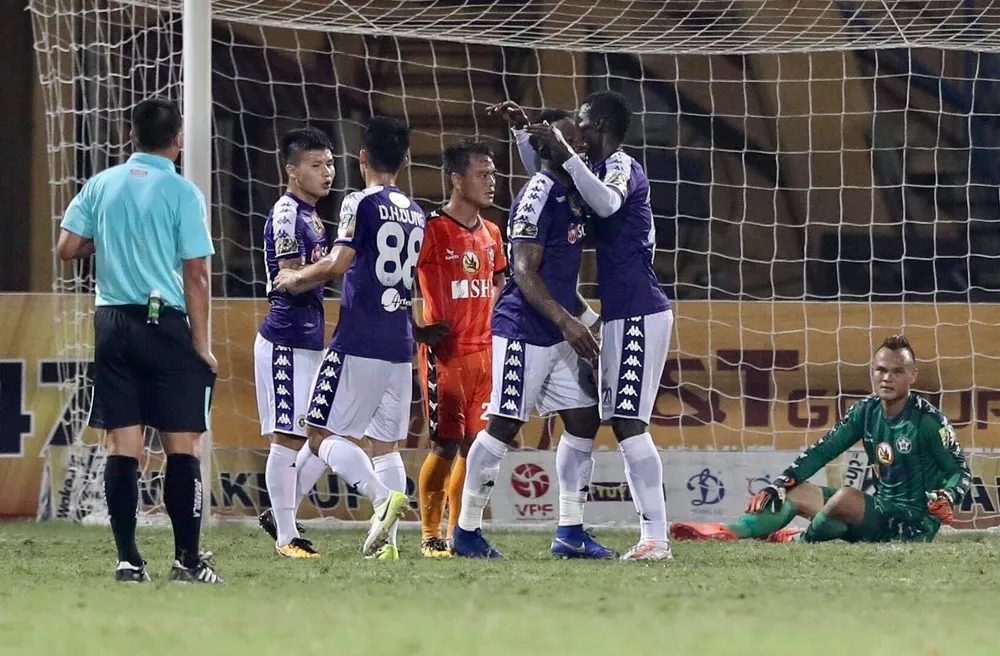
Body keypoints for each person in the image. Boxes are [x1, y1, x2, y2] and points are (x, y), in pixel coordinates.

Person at [57, 97, 221, 583]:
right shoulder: (183, 192)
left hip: (112, 324)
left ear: (131, 135)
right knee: (182, 445)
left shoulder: (101, 184)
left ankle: (129, 561)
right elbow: (197, 275)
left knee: (121, 446)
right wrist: (201, 343)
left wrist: (109, 239)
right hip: (163, 323)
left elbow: (66, 248)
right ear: (178, 140)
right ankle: (187, 562)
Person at [506, 91, 675, 560]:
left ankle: (656, 539)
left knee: (628, 423)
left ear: (598, 125)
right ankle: (574, 528)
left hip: (641, 310)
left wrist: (564, 152)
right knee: (597, 421)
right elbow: (548, 173)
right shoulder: (592, 169)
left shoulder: (621, 166)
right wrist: (522, 133)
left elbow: (606, 204)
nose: (574, 130)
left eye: (580, 121)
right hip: (616, 314)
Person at [451, 109, 617, 560]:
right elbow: (524, 272)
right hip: (523, 331)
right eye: (569, 141)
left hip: (558, 332)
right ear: (550, 148)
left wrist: (585, 318)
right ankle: (466, 531)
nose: (579, 147)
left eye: (579, 140)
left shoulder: (572, 191)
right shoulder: (538, 194)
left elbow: (560, 279)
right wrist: (568, 322)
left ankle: (570, 531)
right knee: (504, 425)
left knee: (583, 419)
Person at [273, 116, 420, 561]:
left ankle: (381, 498)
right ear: (405, 160)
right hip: (401, 343)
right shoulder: (416, 211)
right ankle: (386, 545)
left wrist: (295, 278)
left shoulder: (359, 201)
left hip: (359, 338)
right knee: (386, 447)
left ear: (362, 158)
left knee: (319, 433)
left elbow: (338, 263)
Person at [670, 335, 972, 544]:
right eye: (881, 370)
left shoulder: (928, 421)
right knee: (794, 492)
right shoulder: (866, 411)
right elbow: (825, 449)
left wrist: (948, 496)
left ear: (912, 375)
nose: (887, 377)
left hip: (913, 525)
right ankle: (727, 532)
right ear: (872, 372)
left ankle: (800, 540)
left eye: (897, 371)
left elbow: (959, 471)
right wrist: (782, 481)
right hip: (880, 510)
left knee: (845, 499)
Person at [413, 140, 506, 558]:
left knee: (477, 446)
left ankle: (460, 532)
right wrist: (416, 328)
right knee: (444, 446)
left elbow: (499, 281)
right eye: (482, 174)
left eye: (492, 173)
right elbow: (395, 278)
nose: (491, 181)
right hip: (446, 356)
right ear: (457, 179)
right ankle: (430, 534)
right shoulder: (430, 230)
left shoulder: (492, 233)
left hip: (485, 355)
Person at [254, 127, 335, 559]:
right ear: (292, 171)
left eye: (329, 163)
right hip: (284, 341)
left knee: (323, 433)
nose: (327, 172)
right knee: (287, 438)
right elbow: (291, 278)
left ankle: (280, 513)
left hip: (308, 340)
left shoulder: (312, 214)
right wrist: (340, 262)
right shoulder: (287, 213)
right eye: (316, 165)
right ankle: (287, 537)